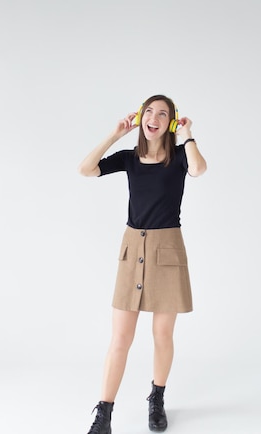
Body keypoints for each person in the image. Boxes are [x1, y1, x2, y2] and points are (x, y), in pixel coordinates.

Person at [77, 95, 207, 433]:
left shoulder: (179, 156)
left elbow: (198, 169)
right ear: (141, 118)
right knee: (120, 338)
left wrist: (189, 134)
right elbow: (86, 169)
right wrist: (115, 134)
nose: (155, 118)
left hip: (167, 248)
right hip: (133, 247)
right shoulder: (129, 158)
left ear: (172, 123)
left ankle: (157, 399)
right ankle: (103, 414)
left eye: (164, 114)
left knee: (162, 334)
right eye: (149, 111)